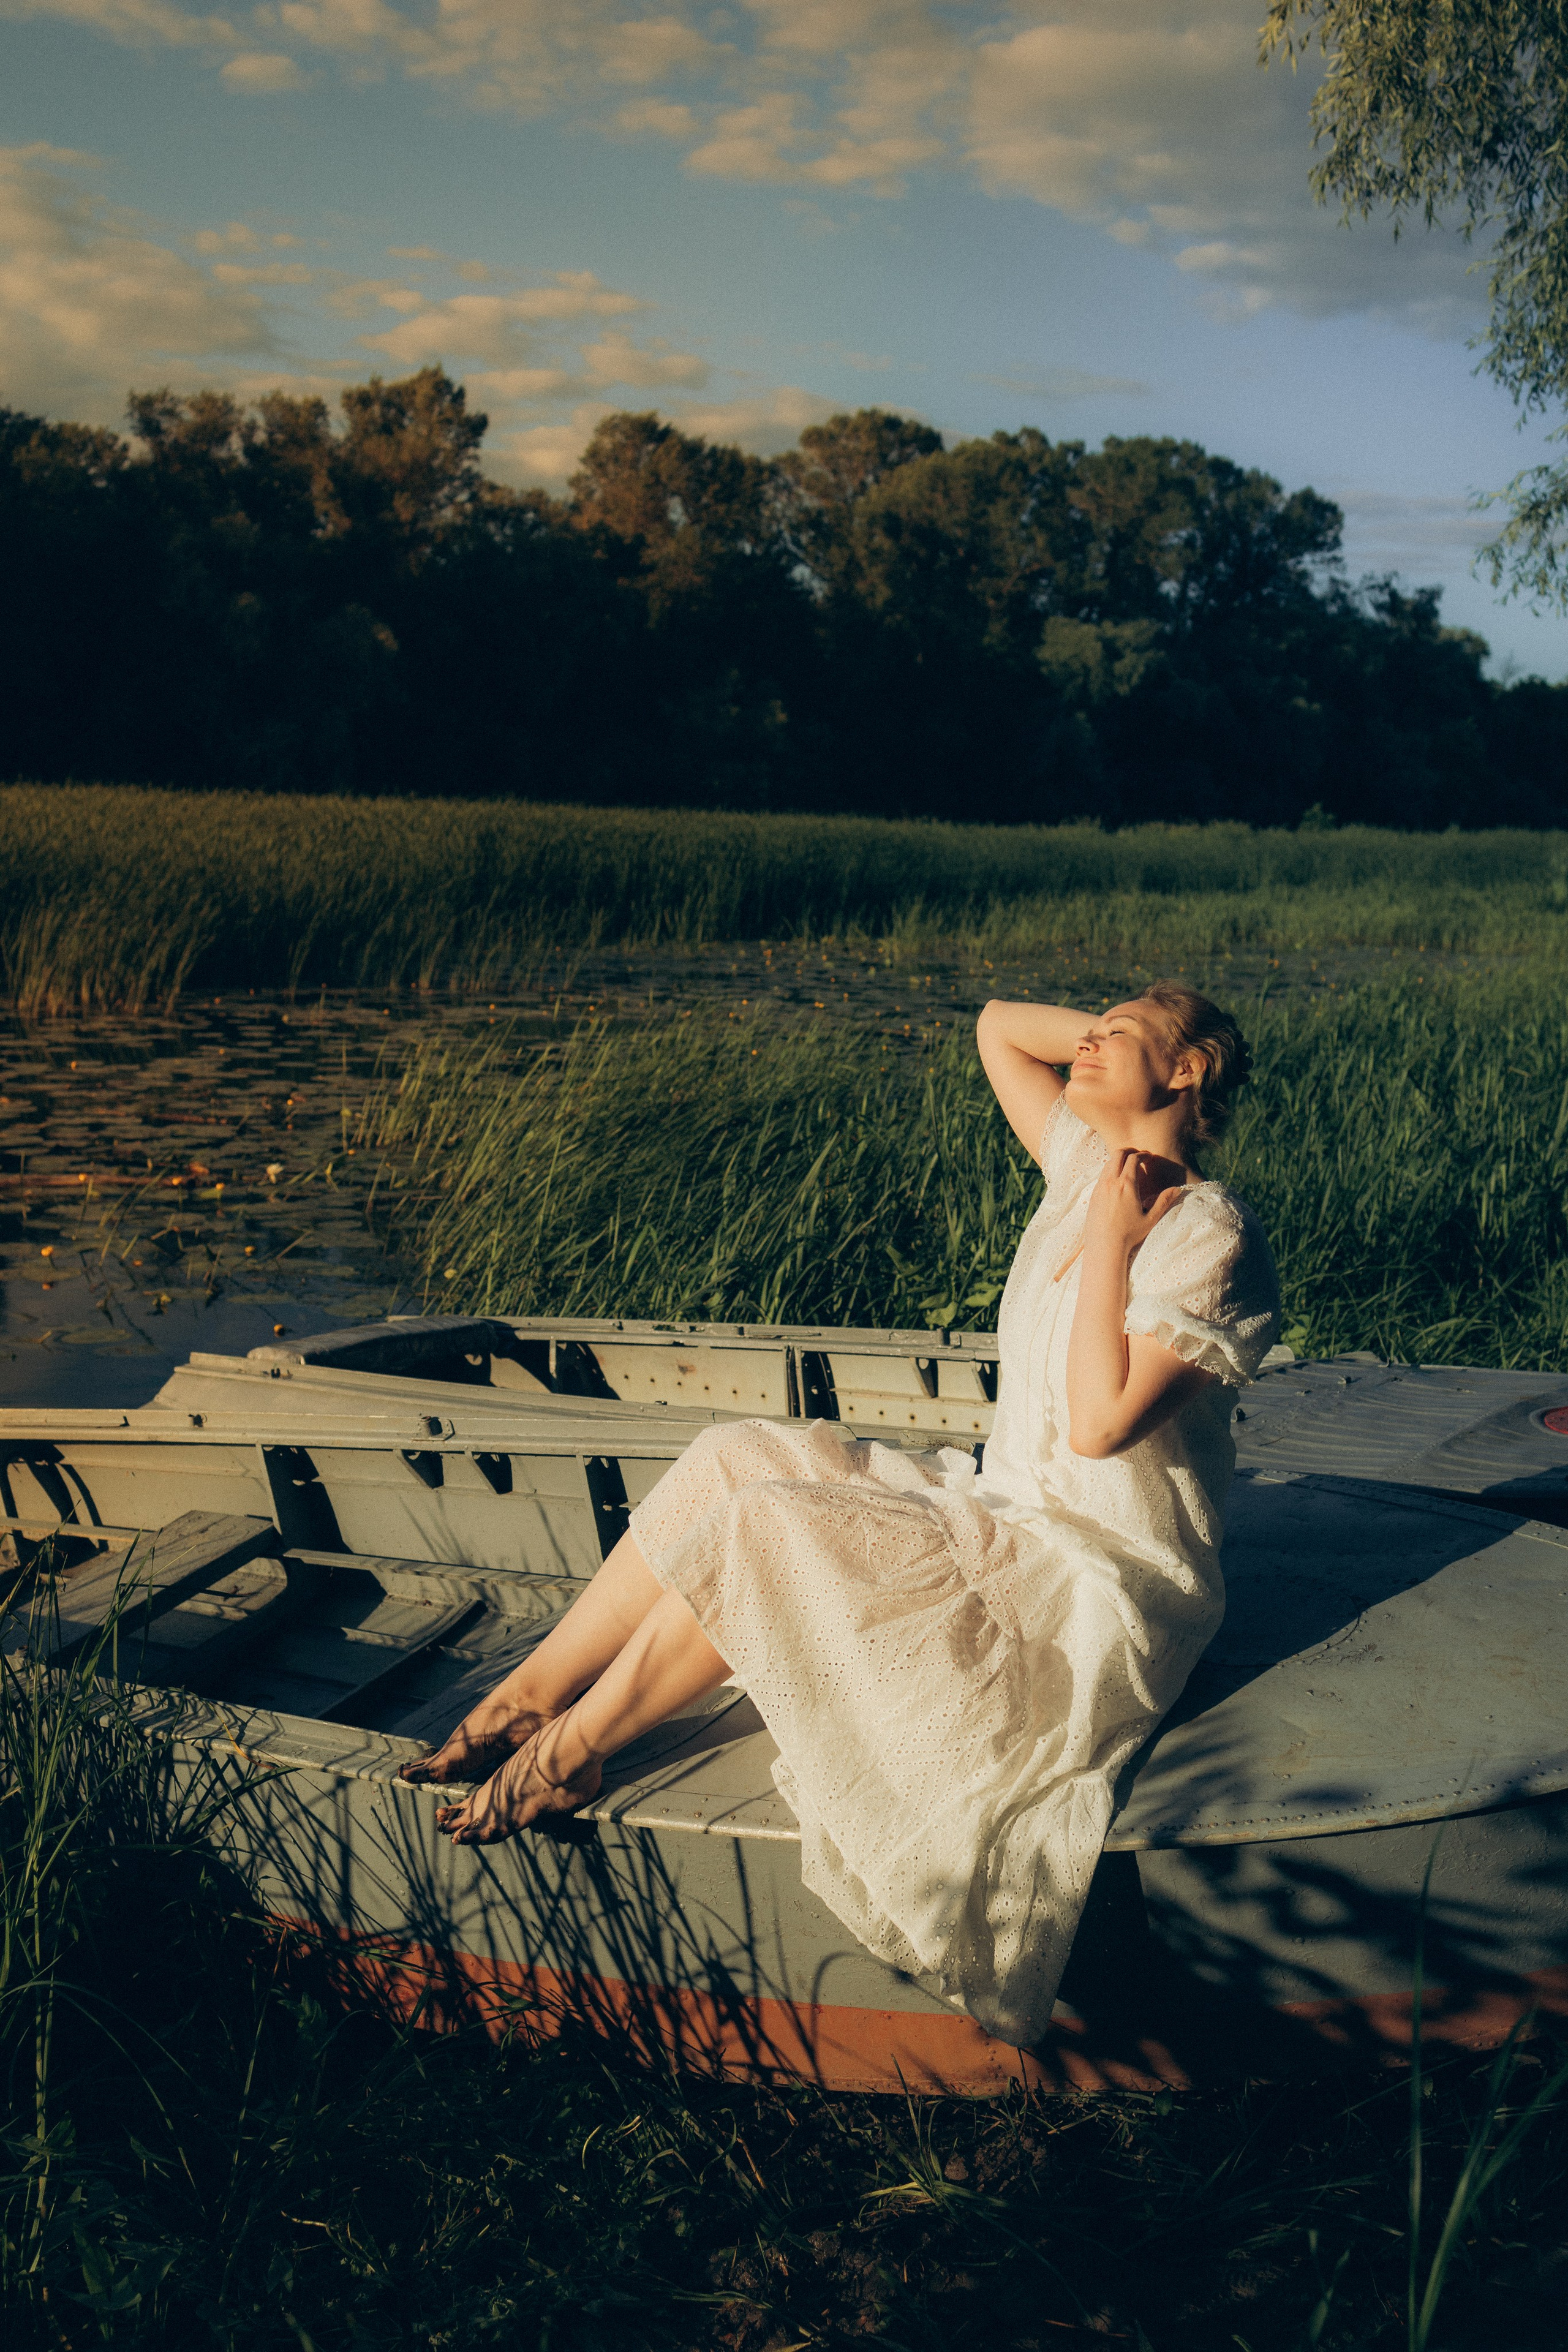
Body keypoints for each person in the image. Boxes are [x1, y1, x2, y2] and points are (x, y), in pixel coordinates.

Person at [401, 982, 1281, 2046]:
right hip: (998, 1502)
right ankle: (527, 1696)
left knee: (770, 1527)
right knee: (731, 1457)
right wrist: (1115, 1046)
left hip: (1092, 1573)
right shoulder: (1086, 1167)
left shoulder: (1207, 1236)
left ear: (1188, 1071)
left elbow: (1098, 1430)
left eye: (1120, 1030)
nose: (1086, 1038)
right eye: (1088, 1025)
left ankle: (574, 1751)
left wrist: (1111, 1236)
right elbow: (999, 1024)